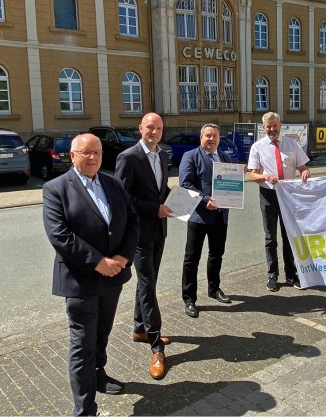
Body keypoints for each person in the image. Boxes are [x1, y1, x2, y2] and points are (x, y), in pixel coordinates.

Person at [42, 133, 141, 415]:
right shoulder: (56, 188)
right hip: (80, 279)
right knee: (82, 344)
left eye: (96, 152)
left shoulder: (113, 183)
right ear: (72, 156)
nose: (92, 158)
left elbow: (132, 220)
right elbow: (59, 235)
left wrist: (123, 256)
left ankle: (99, 376)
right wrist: (98, 262)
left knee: (101, 335)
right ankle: (85, 409)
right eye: (85, 153)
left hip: (113, 277)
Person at [114, 112, 173, 380]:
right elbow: (123, 199)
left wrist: (190, 199)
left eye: (159, 128)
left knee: (148, 283)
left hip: (160, 230)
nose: (155, 132)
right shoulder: (128, 158)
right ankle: (156, 346)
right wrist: (155, 208)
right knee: (148, 285)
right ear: (140, 128)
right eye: (150, 127)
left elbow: (162, 191)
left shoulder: (162, 155)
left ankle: (140, 328)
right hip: (139, 235)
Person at [247, 112, 310, 292]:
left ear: (280, 125)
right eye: (268, 127)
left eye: (274, 126)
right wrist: (264, 175)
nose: (272, 130)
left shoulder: (292, 144)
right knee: (270, 238)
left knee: (288, 236)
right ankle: (272, 275)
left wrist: (305, 172)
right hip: (268, 195)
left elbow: (303, 168)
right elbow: (252, 175)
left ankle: (291, 275)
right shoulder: (257, 147)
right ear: (264, 127)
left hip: (288, 196)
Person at [178, 123, 232, 318]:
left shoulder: (225, 157)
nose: (211, 139)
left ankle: (214, 288)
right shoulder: (190, 156)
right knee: (192, 259)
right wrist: (205, 200)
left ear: (219, 138)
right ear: (201, 138)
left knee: (216, 254)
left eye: (215, 136)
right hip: (199, 216)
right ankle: (189, 298)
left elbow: (230, 184)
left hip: (220, 215)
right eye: (208, 136)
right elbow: (185, 184)